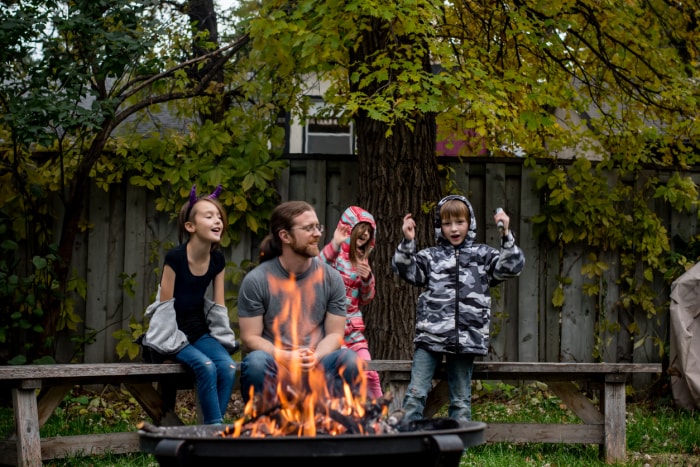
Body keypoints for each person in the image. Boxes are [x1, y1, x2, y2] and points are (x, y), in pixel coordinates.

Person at [392, 195, 525, 422]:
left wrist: (506, 235)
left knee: (460, 401)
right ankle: (406, 449)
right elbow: (403, 269)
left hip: (466, 340)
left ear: (470, 223)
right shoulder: (430, 257)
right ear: (439, 226)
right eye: (447, 224)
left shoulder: (482, 256)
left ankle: (456, 454)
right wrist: (407, 242)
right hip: (430, 337)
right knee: (415, 395)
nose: (454, 229)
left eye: (459, 222)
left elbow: (513, 266)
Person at [238, 200, 362, 408]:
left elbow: (335, 334)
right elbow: (250, 337)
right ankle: (269, 429)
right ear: (285, 236)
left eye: (317, 226)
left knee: (349, 360)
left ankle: (337, 428)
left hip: (318, 365)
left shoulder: (331, 278)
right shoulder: (257, 280)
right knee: (256, 363)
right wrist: (286, 357)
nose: (317, 233)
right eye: (308, 228)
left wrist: (314, 357)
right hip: (277, 366)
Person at [141, 185, 238, 425]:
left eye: (219, 217)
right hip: (173, 332)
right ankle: (215, 432)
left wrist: (222, 338)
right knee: (205, 367)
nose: (217, 221)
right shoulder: (175, 258)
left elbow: (218, 306)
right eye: (209, 216)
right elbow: (164, 308)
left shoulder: (217, 260)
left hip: (198, 331)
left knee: (227, 367)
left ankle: (209, 430)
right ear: (190, 227)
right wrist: (167, 345)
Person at [319, 206, 383, 399]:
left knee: (369, 372)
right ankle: (346, 414)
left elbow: (365, 298)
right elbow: (316, 272)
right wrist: (334, 244)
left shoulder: (362, 260)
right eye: (360, 231)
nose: (363, 235)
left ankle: (381, 413)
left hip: (354, 331)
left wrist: (367, 279)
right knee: (344, 373)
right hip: (330, 329)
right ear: (349, 230)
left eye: (367, 233)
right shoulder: (334, 255)